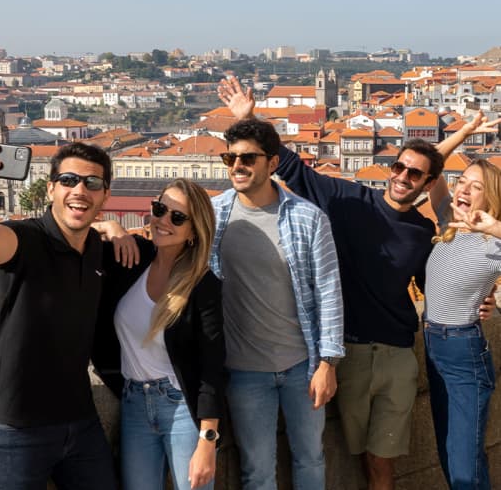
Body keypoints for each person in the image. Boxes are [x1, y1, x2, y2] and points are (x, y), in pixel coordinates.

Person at [217, 77, 499, 490]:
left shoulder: (426, 231)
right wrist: (248, 117)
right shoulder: (348, 200)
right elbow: (290, 166)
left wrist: (482, 299)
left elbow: (437, 282)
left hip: (402, 354)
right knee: (365, 458)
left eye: (415, 174)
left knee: (402, 459)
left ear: (426, 184)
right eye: (398, 167)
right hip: (349, 351)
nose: (403, 176)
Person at [0, 137, 117, 489]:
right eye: (70, 181)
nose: (80, 190)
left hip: (80, 419)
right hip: (18, 427)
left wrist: (116, 231)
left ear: (105, 196)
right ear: (51, 188)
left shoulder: (98, 250)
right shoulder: (26, 239)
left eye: (93, 183)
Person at [209, 118, 344, 490]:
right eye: (230, 157)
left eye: (248, 158)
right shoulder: (213, 215)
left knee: (311, 459)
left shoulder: (308, 218)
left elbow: (329, 291)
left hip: (302, 366)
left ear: (272, 163)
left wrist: (327, 363)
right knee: (257, 471)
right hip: (243, 370)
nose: (237, 166)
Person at [92, 178, 226, 490]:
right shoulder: (132, 257)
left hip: (181, 408)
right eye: (160, 209)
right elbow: (68, 235)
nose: (163, 221)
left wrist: (208, 440)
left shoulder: (203, 285)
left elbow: (212, 366)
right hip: (134, 403)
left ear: (194, 231)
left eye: (177, 217)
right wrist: (109, 225)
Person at [424, 145, 501, 487]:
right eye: (463, 182)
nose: (464, 190)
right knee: (452, 453)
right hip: (432, 346)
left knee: (463, 465)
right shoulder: (448, 222)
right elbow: (432, 165)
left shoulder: (493, 243)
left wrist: (496, 228)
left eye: (476, 187)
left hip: (463, 353)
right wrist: (464, 134)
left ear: (492, 199)